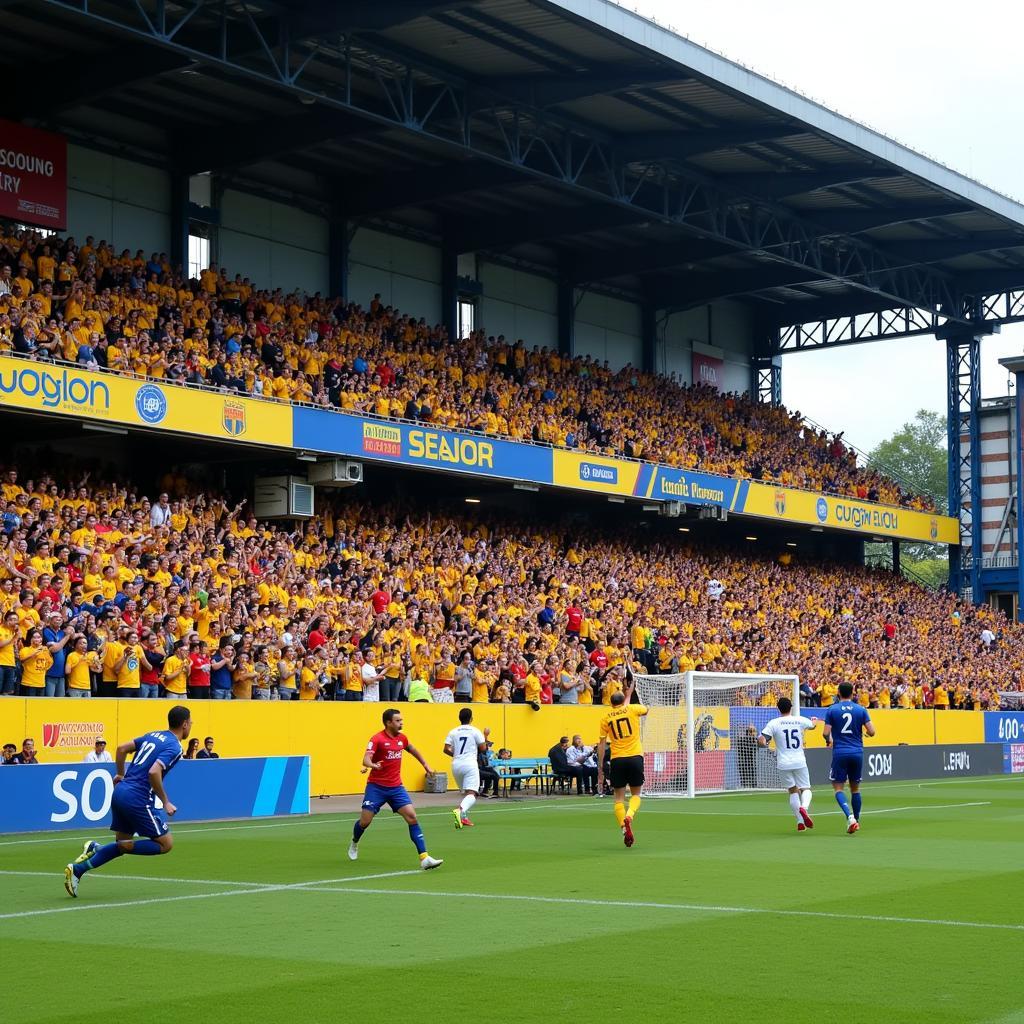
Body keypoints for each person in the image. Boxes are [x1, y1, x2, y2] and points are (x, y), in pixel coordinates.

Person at [65, 704, 192, 898]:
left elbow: (122, 748)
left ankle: (82, 866)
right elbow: (154, 771)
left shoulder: (153, 735)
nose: (191, 725)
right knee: (165, 844)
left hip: (120, 792)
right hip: (138, 798)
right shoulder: (175, 747)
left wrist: (119, 774)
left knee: (123, 844)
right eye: (190, 722)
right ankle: (89, 857)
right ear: (184, 724)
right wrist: (165, 801)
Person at [349, 708, 443, 870]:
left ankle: (424, 858)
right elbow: (366, 759)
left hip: (396, 787)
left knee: (412, 817)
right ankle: (354, 842)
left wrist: (425, 764)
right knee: (365, 821)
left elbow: (413, 750)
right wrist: (372, 765)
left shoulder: (402, 739)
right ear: (388, 723)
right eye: (398, 721)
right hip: (376, 787)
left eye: (401, 720)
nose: (401, 723)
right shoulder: (377, 739)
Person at [597, 683, 648, 847]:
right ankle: (630, 816)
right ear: (624, 701)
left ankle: (624, 828)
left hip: (617, 759)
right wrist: (630, 694)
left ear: (611, 703)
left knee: (618, 798)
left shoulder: (606, 718)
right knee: (635, 794)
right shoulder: (632, 709)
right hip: (635, 756)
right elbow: (646, 710)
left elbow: (602, 744)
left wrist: (600, 766)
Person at [822, 681, 876, 835]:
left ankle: (850, 817)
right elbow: (872, 731)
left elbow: (825, 733)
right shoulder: (861, 709)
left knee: (838, 787)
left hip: (840, 752)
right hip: (857, 752)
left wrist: (829, 740)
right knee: (855, 789)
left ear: (838, 693)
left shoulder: (832, 710)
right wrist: (865, 734)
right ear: (853, 693)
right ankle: (856, 820)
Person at [757, 697, 818, 832]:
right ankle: (804, 808)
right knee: (805, 788)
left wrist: (763, 743)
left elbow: (762, 740)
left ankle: (800, 821)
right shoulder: (800, 720)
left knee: (792, 791)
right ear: (791, 707)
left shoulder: (774, 723)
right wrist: (814, 721)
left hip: (783, 763)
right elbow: (813, 725)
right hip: (799, 761)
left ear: (778, 709)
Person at [443, 706, 488, 828]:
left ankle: (463, 818)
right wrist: (485, 737)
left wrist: (456, 754)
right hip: (469, 764)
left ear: (459, 718)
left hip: (456, 764)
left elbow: (446, 749)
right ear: (471, 718)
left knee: (466, 793)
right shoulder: (475, 731)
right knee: (472, 793)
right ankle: (460, 810)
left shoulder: (453, 731)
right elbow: (483, 749)